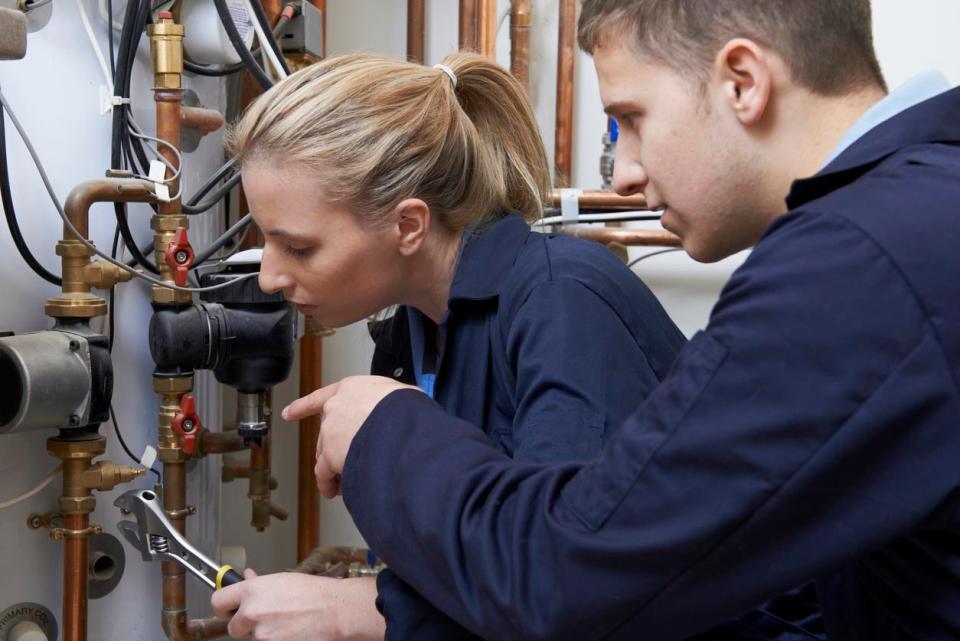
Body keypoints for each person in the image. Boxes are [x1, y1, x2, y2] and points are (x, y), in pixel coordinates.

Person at [286, 1, 960, 640]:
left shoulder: (855, 262)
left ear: (742, 82)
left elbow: (568, 577)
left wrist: (384, 429)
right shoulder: (918, 214)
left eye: (631, 119)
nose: (627, 173)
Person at [210, 51, 689, 640]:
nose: (269, 279)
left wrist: (355, 614)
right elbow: (461, 571)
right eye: (268, 242)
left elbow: (578, 594)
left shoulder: (563, 302)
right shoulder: (411, 335)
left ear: (408, 225)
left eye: (300, 248)